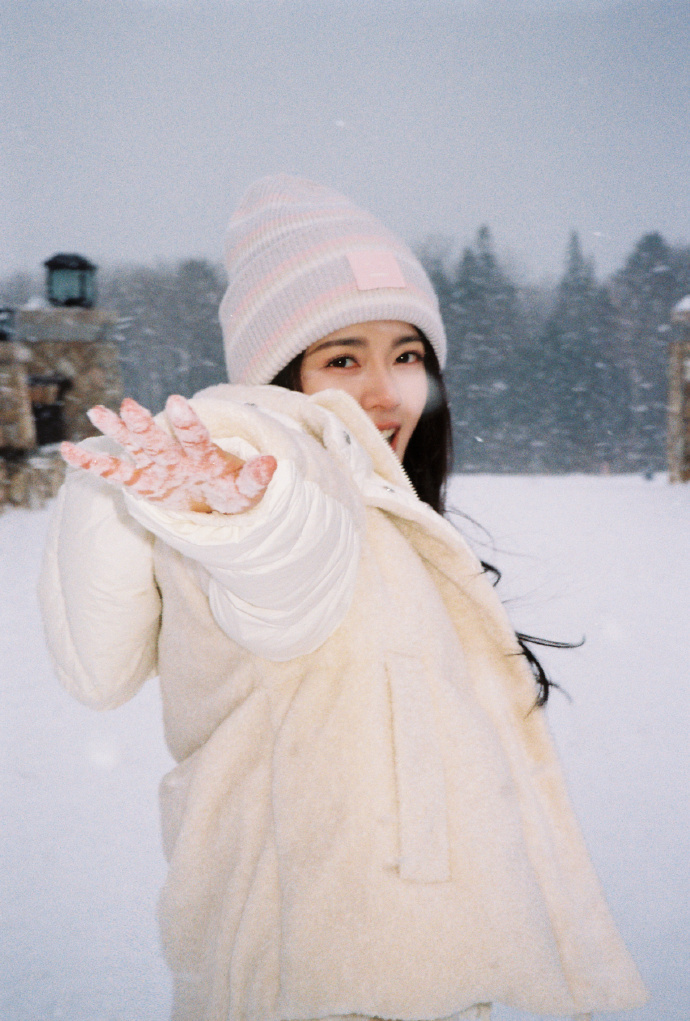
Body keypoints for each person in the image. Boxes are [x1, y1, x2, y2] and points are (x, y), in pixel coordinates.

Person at [39, 175, 647, 1021]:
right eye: (343, 357)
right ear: (280, 374)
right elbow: (290, 575)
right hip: (324, 972)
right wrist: (248, 510)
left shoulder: (384, 511)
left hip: (398, 962)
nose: (385, 391)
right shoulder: (271, 466)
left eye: (406, 354)